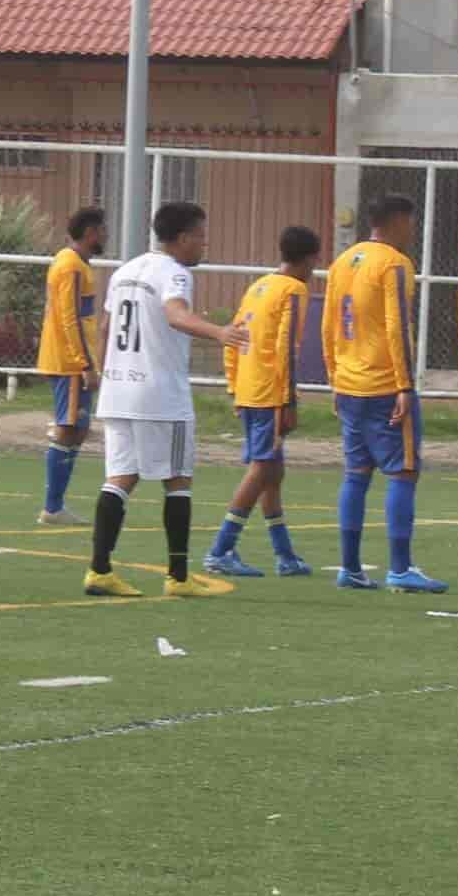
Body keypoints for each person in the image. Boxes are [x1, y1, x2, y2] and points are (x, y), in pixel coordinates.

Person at [83, 202, 243, 600]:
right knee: (178, 480)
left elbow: (105, 327)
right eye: (202, 236)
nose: (204, 243)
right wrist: (218, 332)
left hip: (118, 390)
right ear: (184, 238)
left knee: (120, 477)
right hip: (159, 394)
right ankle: (178, 576)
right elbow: (175, 315)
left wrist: (106, 373)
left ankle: (99, 570)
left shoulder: (125, 271)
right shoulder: (174, 273)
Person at [321, 191, 446, 592]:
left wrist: (334, 378)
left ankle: (350, 568)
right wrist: (405, 386)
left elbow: (327, 325)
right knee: (402, 472)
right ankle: (400, 567)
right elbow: (397, 326)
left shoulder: (342, 262)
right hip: (384, 384)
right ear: (395, 222)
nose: (412, 231)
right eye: (410, 223)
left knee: (356, 474)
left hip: (350, 383)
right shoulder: (395, 264)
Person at [207, 224, 321, 579]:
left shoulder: (258, 286)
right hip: (271, 392)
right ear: (308, 260)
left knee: (273, 472)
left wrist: (233, 387)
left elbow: (235, 339)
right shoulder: (294, 290)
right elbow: (287, 347)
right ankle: (221, 548)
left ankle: (285, 555)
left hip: (250, 389)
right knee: (261, 469)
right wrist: (288, 400)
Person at [35, 206, 108, 526]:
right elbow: (70, 319)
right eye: (103, 229)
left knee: (77, 429)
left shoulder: (76, 264)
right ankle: (52, 508)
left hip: (71, 361)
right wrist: (85, 365)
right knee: (68, 428)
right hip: (69, 363)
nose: (106, 235)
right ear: (91, 232)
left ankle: (55, 506)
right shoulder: (71, 266)